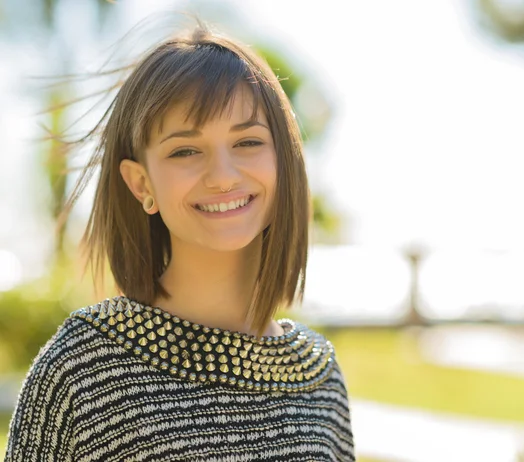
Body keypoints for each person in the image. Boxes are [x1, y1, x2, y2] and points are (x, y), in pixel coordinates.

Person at [4, 19, 356, 462]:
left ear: (283, 161)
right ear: (140, 184)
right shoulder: (81, 368)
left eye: (247, 142)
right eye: (185, 151)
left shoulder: (318, 376)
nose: (224, 176)